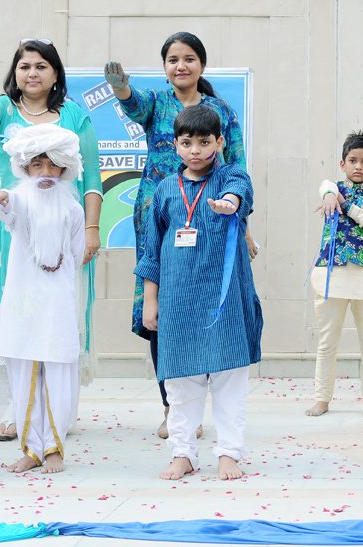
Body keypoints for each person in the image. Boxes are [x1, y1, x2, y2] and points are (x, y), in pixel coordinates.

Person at [0, 38, 102, 441]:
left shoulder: (75, 116)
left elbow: (92, 178)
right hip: (9, 229)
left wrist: (90, 228)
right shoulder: (3, 108)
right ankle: (12, 411)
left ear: (55, 74)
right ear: (15, 73)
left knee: (60, 315)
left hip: (65, 229)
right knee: (13, 315)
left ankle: (59, 412)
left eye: (41, 66)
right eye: (24, 66)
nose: (31, 73)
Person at [105, 31, 252, 440]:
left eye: (189, 58)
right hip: (159, 213)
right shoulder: (157, 102)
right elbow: (134, 105)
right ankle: (173, 407)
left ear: (201, 64)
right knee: (161, 312)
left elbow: (238, 167)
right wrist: (122, 90)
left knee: (206, 308)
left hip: (212, 220)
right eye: (172, 59)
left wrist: (244, 226)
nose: (180, 65)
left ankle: (213, 404)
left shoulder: (220, 110)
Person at [134, 105, 262, 481]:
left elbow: (242, 190)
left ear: (219, 142)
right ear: (175, 145)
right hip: (177, 303)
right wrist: (150, 300)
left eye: (204, 142)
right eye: (187, 142)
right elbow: (151, 252)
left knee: (229, 382)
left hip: (225, 303)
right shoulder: (164, 191)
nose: (195, 150)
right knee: (179, 384)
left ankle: (229, 453)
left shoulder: (229, 176)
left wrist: (231, 204)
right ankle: (182, 452)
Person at [0, 124, 86, 474]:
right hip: (23, 303)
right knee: (24, 372)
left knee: (57, 373)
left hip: (57, 303)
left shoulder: (72, 209)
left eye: (52, 165)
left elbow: (74, 255)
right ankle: (31, 449)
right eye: (36, 165)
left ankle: (55, 447)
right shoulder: (20, 199)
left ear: (64, 168)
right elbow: (9, 212)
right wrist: (4, 200)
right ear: (25, 168)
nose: (44, 173)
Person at [307, 132, 363, 418]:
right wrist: (330, 192)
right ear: (342, 163)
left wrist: (345, 204)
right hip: (332, 276)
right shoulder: (332, 188)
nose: (358, 166)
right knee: (327, 341)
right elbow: (324, 184)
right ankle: (321, 399)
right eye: (352, 160)